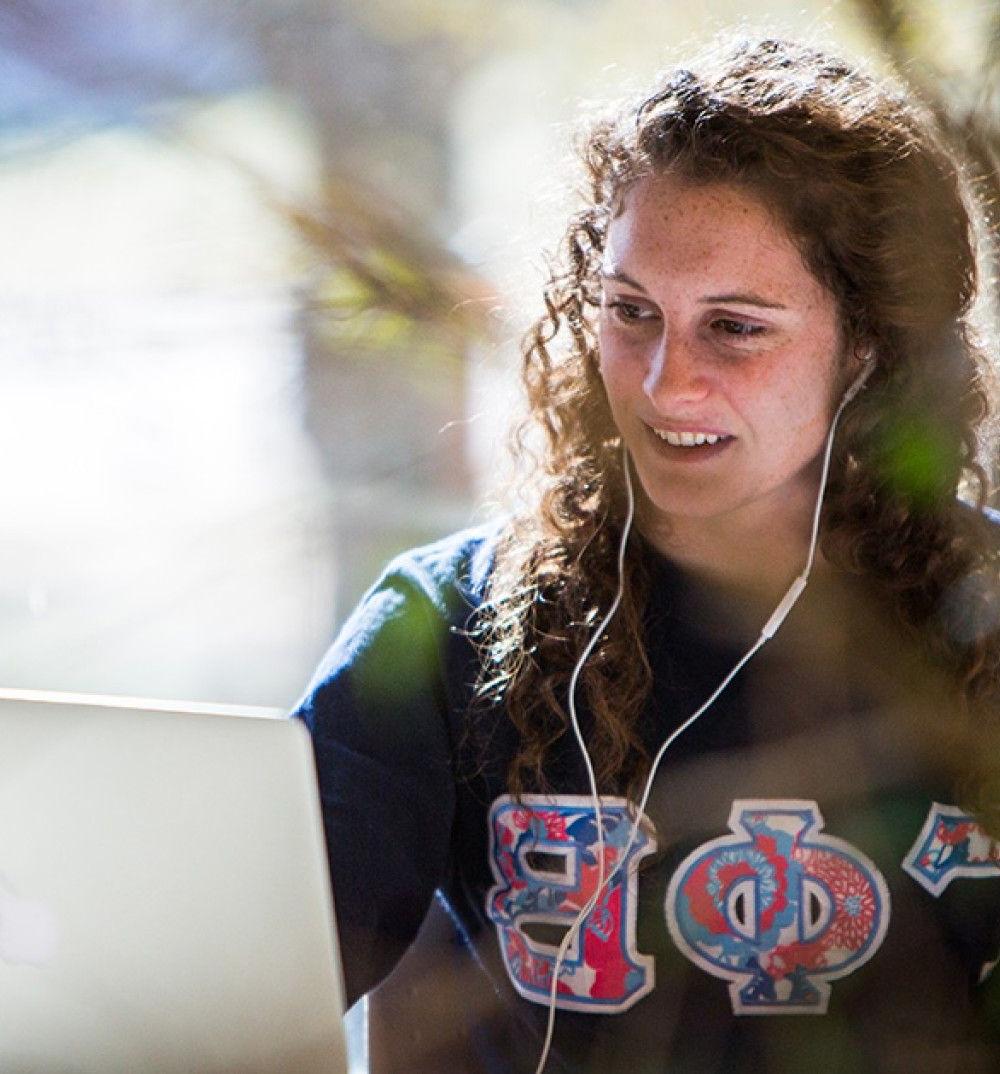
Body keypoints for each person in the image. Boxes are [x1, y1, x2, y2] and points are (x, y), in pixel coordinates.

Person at [295, 34, 1000, 1073]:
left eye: (736, 329)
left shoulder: (980, 627)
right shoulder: (447, 621)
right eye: (632, 314)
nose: (667, 386)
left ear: (868, 344)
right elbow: (248, 974)